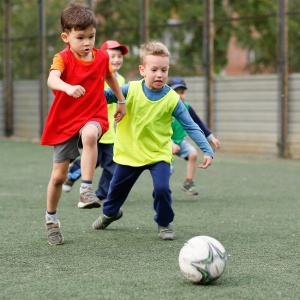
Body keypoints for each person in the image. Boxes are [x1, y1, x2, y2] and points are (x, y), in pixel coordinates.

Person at [92, 41, 214, 241]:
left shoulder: (172, 99)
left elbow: (191, 125)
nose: (159, 74)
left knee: (162, 188)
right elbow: (104, 96)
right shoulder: (129, 90)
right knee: (115, 192)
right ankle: (110, 213)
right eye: (154, 69)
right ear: (142, 70)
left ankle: (164, 223)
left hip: (158, 154)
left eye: (164, 70)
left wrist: (206, 149)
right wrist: (86, 89)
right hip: (129, 153)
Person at [40, 4, 126, 245]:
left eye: (91, 36)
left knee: (90, 135)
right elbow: (52, 79)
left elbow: (109, 76)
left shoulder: (101, 57)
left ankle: (86, 189)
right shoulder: (62, 58)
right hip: (65, 120)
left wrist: (121, 100)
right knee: (58, 177)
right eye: (80, 37)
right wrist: (67, 87)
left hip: (92, 114)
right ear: (66, 37)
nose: (87, 42)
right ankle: (51, 220)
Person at [62, 40, 128, 206]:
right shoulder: (98, 75)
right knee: (94, 161)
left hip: (110, 132)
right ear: (103, 57)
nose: (117, 59)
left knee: (111, 166)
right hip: (93, 127)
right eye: (112, 56)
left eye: (119, 56)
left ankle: (100, 194)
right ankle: (71, 175)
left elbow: (123, 99)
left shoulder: (121, 80)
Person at [167, 77, 221, 196]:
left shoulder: (186, 107)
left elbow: (198, 123)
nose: (179, 95)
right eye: (175, 92)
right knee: (168, 169)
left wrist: (211, 138)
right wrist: (169, 143)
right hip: (165, 142)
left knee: (193, 154)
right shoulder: (164, 107)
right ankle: (162, 188)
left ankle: (188, 182)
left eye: (182, 92)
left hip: (180, 141)